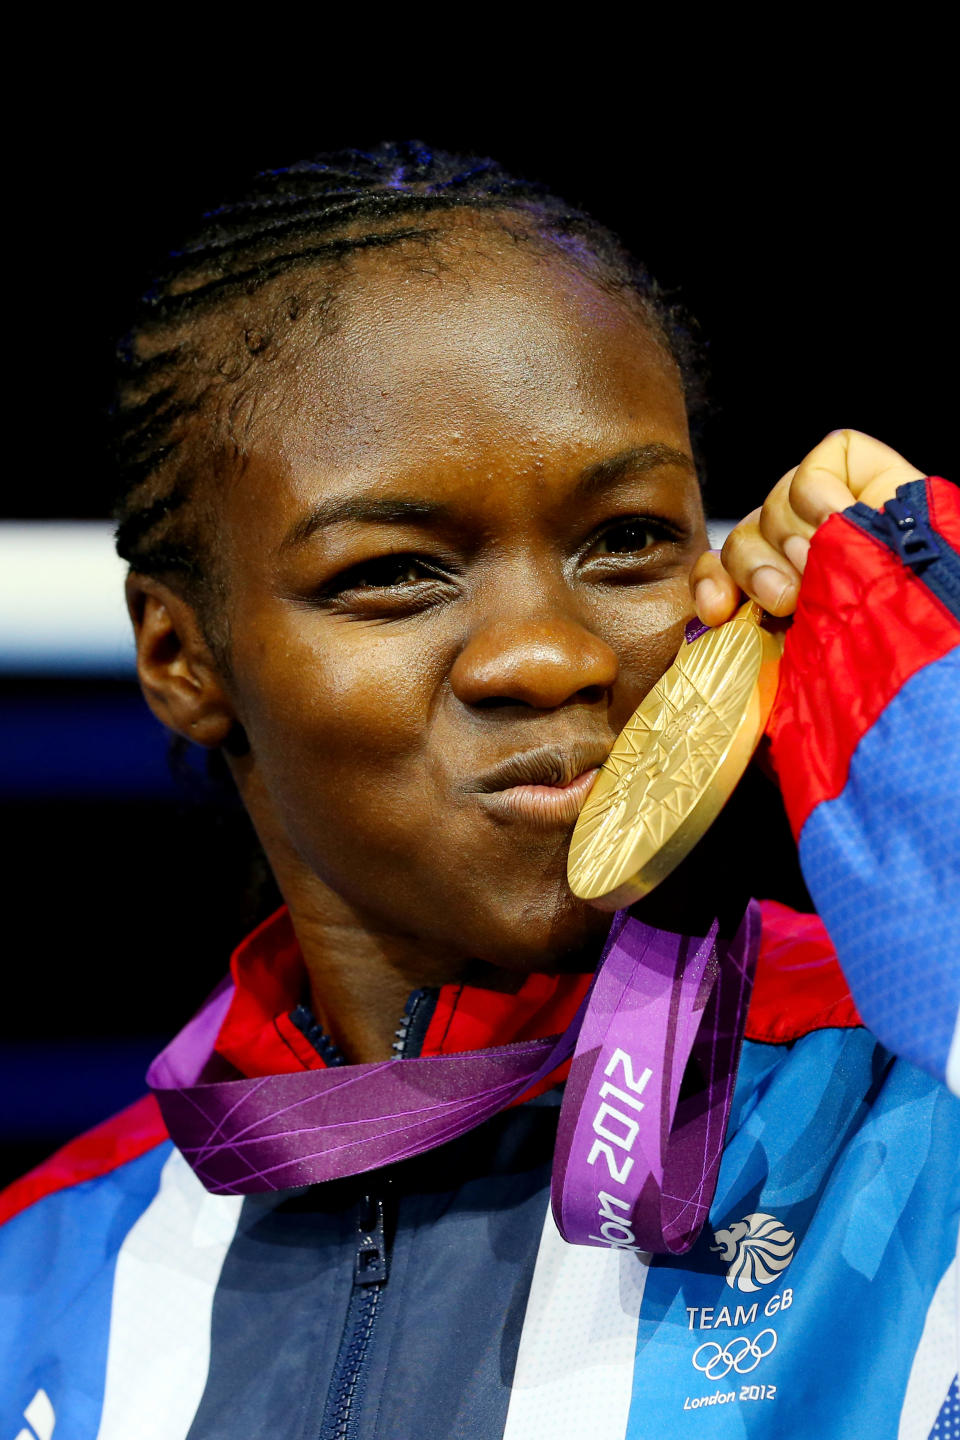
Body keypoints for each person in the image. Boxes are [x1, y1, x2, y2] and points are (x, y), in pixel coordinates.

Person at [2, 143, 957, 1440]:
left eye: (626, 541)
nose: (549, 654)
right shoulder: (37, 1279)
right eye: (396, 570)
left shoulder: (906, 1094)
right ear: (182, 655)